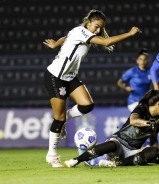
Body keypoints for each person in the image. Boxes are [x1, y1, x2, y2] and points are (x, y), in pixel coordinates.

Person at [43, 9, 141, 167]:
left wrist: (56, 43)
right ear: (88, 22)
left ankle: (62, 121)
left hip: (70, 76)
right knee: (58, 118)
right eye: (96, 27)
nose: (98, 31)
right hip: (56, 76)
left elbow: (66, 37)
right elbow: (106, 42)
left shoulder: (77, 31)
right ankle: (52, 155)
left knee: (87, 105)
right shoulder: (82, 32)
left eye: (100, 28)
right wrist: (129, 33)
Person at [63, 90, 159, 167]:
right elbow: (133, 121)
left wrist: (155, 153)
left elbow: (153, 138)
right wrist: (150, 122)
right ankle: (76, 160)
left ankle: (116, 164)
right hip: (120, 142)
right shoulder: (141, 108)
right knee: (112, 144)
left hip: (132, 152)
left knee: (153, 151)